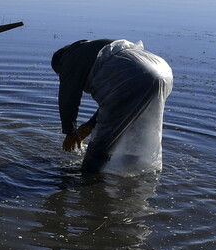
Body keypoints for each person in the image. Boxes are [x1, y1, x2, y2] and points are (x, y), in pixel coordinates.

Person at [52, 39, 173, 175]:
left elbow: (68, 97)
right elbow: (117, 104)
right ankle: (136, 173)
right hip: (162, 72)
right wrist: (89, 126)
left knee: (102, 142)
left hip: (134, 76)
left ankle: (89, 177)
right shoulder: (92, 50)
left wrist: (70, 131)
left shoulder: (70, 60)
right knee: (137, 131)